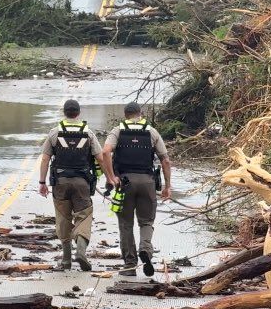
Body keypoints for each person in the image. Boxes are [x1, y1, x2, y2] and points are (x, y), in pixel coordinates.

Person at [37, 99, 113, 271]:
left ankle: (66, 260)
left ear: (64, 113)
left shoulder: (54, 133)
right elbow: (100, 158)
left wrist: (42, 182)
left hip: (60, 183)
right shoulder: (88, 133)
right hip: (82, 182)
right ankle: (81, 251)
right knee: (84, 216)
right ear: (78, 113)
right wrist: (109, 178)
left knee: (63, 218)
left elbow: (45, 159)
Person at [103, 101, 172, 276]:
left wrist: (111, 177)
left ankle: (130, 265)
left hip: (124, 184)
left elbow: (105, 151)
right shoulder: (152, 132)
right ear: (140, 114)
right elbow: (165, 160)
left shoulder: (117, 131)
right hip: (147, 182)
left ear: (125, 115)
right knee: (146, 222)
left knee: (125, 224)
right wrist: (167, 186)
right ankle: (145, 249)